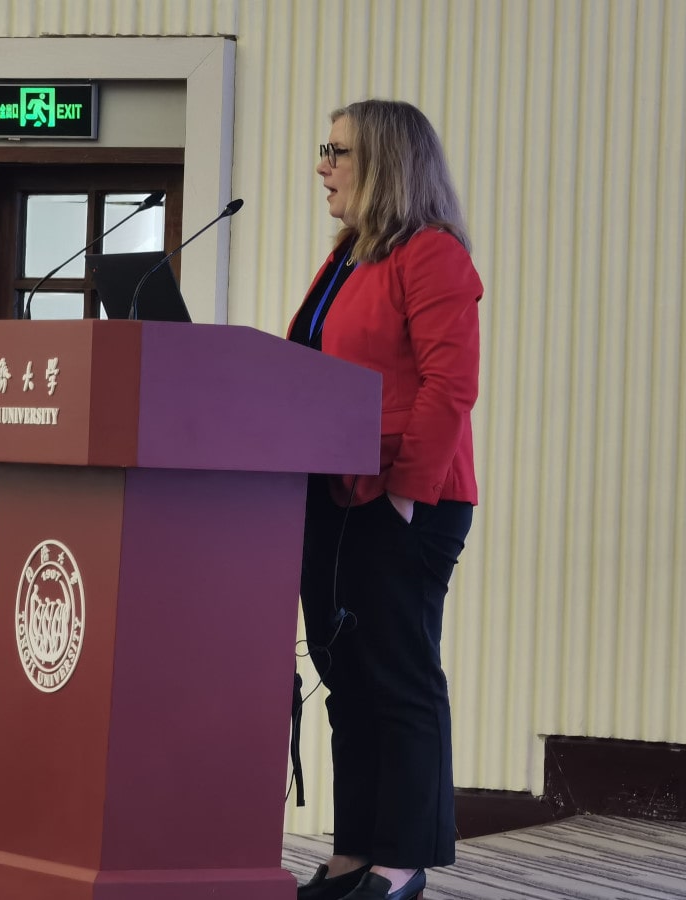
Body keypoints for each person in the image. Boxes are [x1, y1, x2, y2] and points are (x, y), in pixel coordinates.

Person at [287, 100, 483, 900]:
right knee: (349, 681)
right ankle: (355, 853)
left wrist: (404, 493)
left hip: (408, 498)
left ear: (387, 163)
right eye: (325, 149)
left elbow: (450, 386)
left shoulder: (431, 254)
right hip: (335, 496)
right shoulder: (347, 258)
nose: (322, 165)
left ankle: (402, 861)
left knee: (399, 679)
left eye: (337, 151)